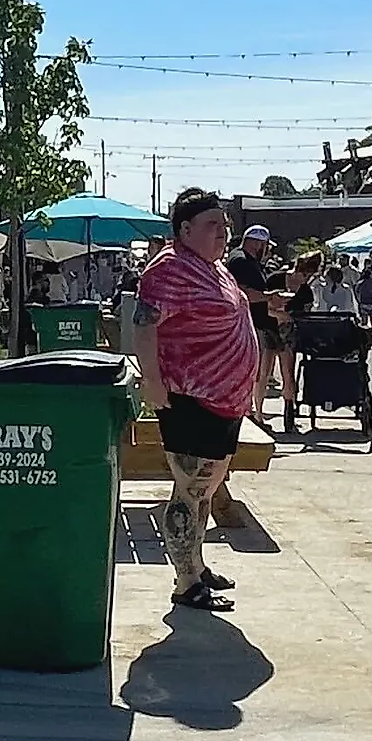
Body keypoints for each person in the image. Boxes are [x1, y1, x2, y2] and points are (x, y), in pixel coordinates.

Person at [134, 189, 260, 613]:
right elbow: (144, 328)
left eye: (224, 225)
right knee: (189, 491)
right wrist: (152, 381)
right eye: (212, 225)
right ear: (185, 230)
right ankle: (186, 582)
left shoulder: (213, 268)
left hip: (223, 402)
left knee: (203, 491)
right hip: (192, 400)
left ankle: (196, 565)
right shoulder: (169, 269)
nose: (223, 233)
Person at [224, 225, 294, 424]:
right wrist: (268, 297)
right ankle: (246, 412)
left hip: (258, 322)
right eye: (265, 246)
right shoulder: (241, 261)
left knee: (258, 372)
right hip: (249, 325)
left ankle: (251, 411)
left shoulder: (249, 261)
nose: (267, 250)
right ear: (256, 243)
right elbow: (240, 292)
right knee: (253, 372)